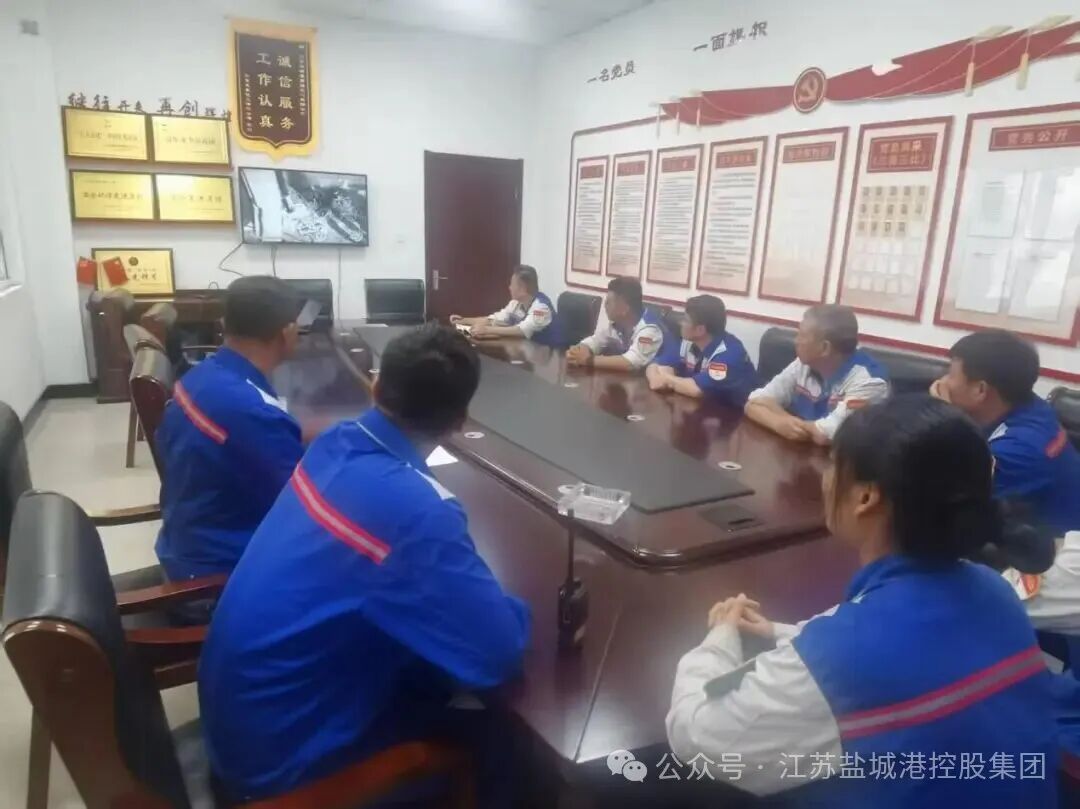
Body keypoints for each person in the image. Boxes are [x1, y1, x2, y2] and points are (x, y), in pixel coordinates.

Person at [667, 396, 1058, 807]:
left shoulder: (843, 657)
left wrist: (720, 639)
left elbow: (699, 736)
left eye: (833, 464)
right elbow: (904, 650)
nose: (826, 478)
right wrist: (781, 635)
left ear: (866, 497)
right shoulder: (994, 589)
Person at [199, 324, 531, 802]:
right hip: (286, 776)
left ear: (375, 387)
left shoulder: (333, 444)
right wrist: (513, 609)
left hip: (242, 726)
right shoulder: (417, 513)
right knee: (508, 742)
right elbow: (497, 655)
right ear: (460, 419)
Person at [155, 275, 304, 581]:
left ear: (224, 324)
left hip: (190, 541)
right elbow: (304, 508)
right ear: (287, 333)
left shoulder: (202, 377)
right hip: (221, 576)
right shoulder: (253, 413)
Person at [931, 329, 1080, 539]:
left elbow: (939, 490)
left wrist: (941, 414)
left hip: (1054, 550)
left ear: (980, 390)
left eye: (951, 375)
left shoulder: (1021, 449)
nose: (943, 381)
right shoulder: (1028, 405)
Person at [744, 304, 888, 444]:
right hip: (801, 452)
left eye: (802, 336)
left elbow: (826, 435)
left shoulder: (870, 382)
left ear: (824, 348)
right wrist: (779, 423)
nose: (796, 341)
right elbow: (753, 402)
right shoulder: (803, 363)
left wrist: (774, 414)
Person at [646, 294, 758, 407]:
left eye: (685, 320)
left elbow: (696, 389)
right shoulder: (688, 342)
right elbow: (655, 365)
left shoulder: (730, 354)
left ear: (700, 330)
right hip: (702, 407)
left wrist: (666, 379)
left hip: (735, 412)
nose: (681, 323)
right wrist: (655, 377)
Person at [565, 277, 672, 372]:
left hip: (664, 383)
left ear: (624, 308)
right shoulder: (618, 323)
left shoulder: (650, 329)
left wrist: (589, 360)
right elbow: (596, 340)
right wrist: (578, 351)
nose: (605, 306)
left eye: (608, 302)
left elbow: (631, 363)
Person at [450, 264, 563, 347]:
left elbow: (521, 331)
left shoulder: (542, 309)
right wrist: (462, 320)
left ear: (522, 289)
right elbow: (495, 319)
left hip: (548, 360)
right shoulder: (516, 303)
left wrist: (486, 330)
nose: (509, 287)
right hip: (527, 352)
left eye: (512, 284)